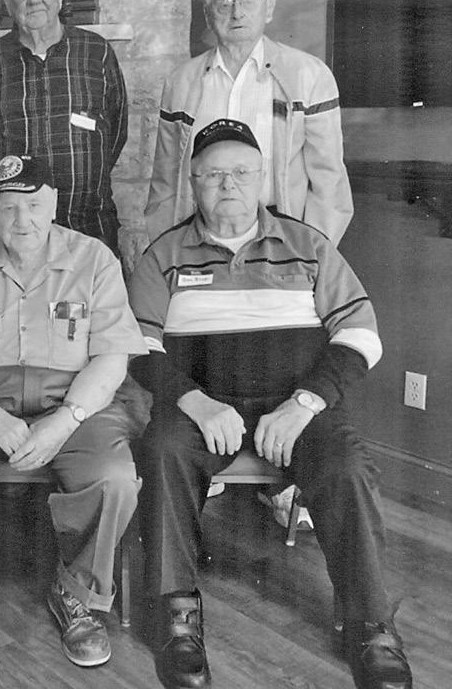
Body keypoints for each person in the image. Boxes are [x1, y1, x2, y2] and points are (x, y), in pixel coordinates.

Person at [127, 119, 413, 689]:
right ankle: (176, 617)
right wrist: (194, 401)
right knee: (161, 450)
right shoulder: (163, 254)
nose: (227, 184)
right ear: (193, 182)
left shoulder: (309, 245)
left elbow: (361, 333)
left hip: (297, 407)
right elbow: (136, 343)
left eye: (240, 172)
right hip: (202, 408)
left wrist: (305, 403)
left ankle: (370, 624)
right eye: (213, 174)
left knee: (349, 466)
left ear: (261, 178)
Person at [0, 154, 144, 682]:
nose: (23, 220)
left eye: (34, 205)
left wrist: (65, 420)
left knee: (114, 477)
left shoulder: (94, 259)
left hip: (75, 400)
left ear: (55, 205)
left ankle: (77, 592)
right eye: (9, 207)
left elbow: (112, 357)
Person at [144, 0, 352, 247]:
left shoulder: (309, 75)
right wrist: (166, 249)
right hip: (199, 237)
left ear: (269, 8)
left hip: (282, 236)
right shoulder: (180, 83)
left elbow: (329, 180)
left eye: (248, 1)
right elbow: (165, 180)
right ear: (208, 15)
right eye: (224, 3)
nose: (237, 13)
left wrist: (311, 253)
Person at [0, 0, 128, 253]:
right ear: (7, 1)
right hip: (16, 236)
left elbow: (116, 133)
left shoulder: (97, 53)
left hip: (88, 231)